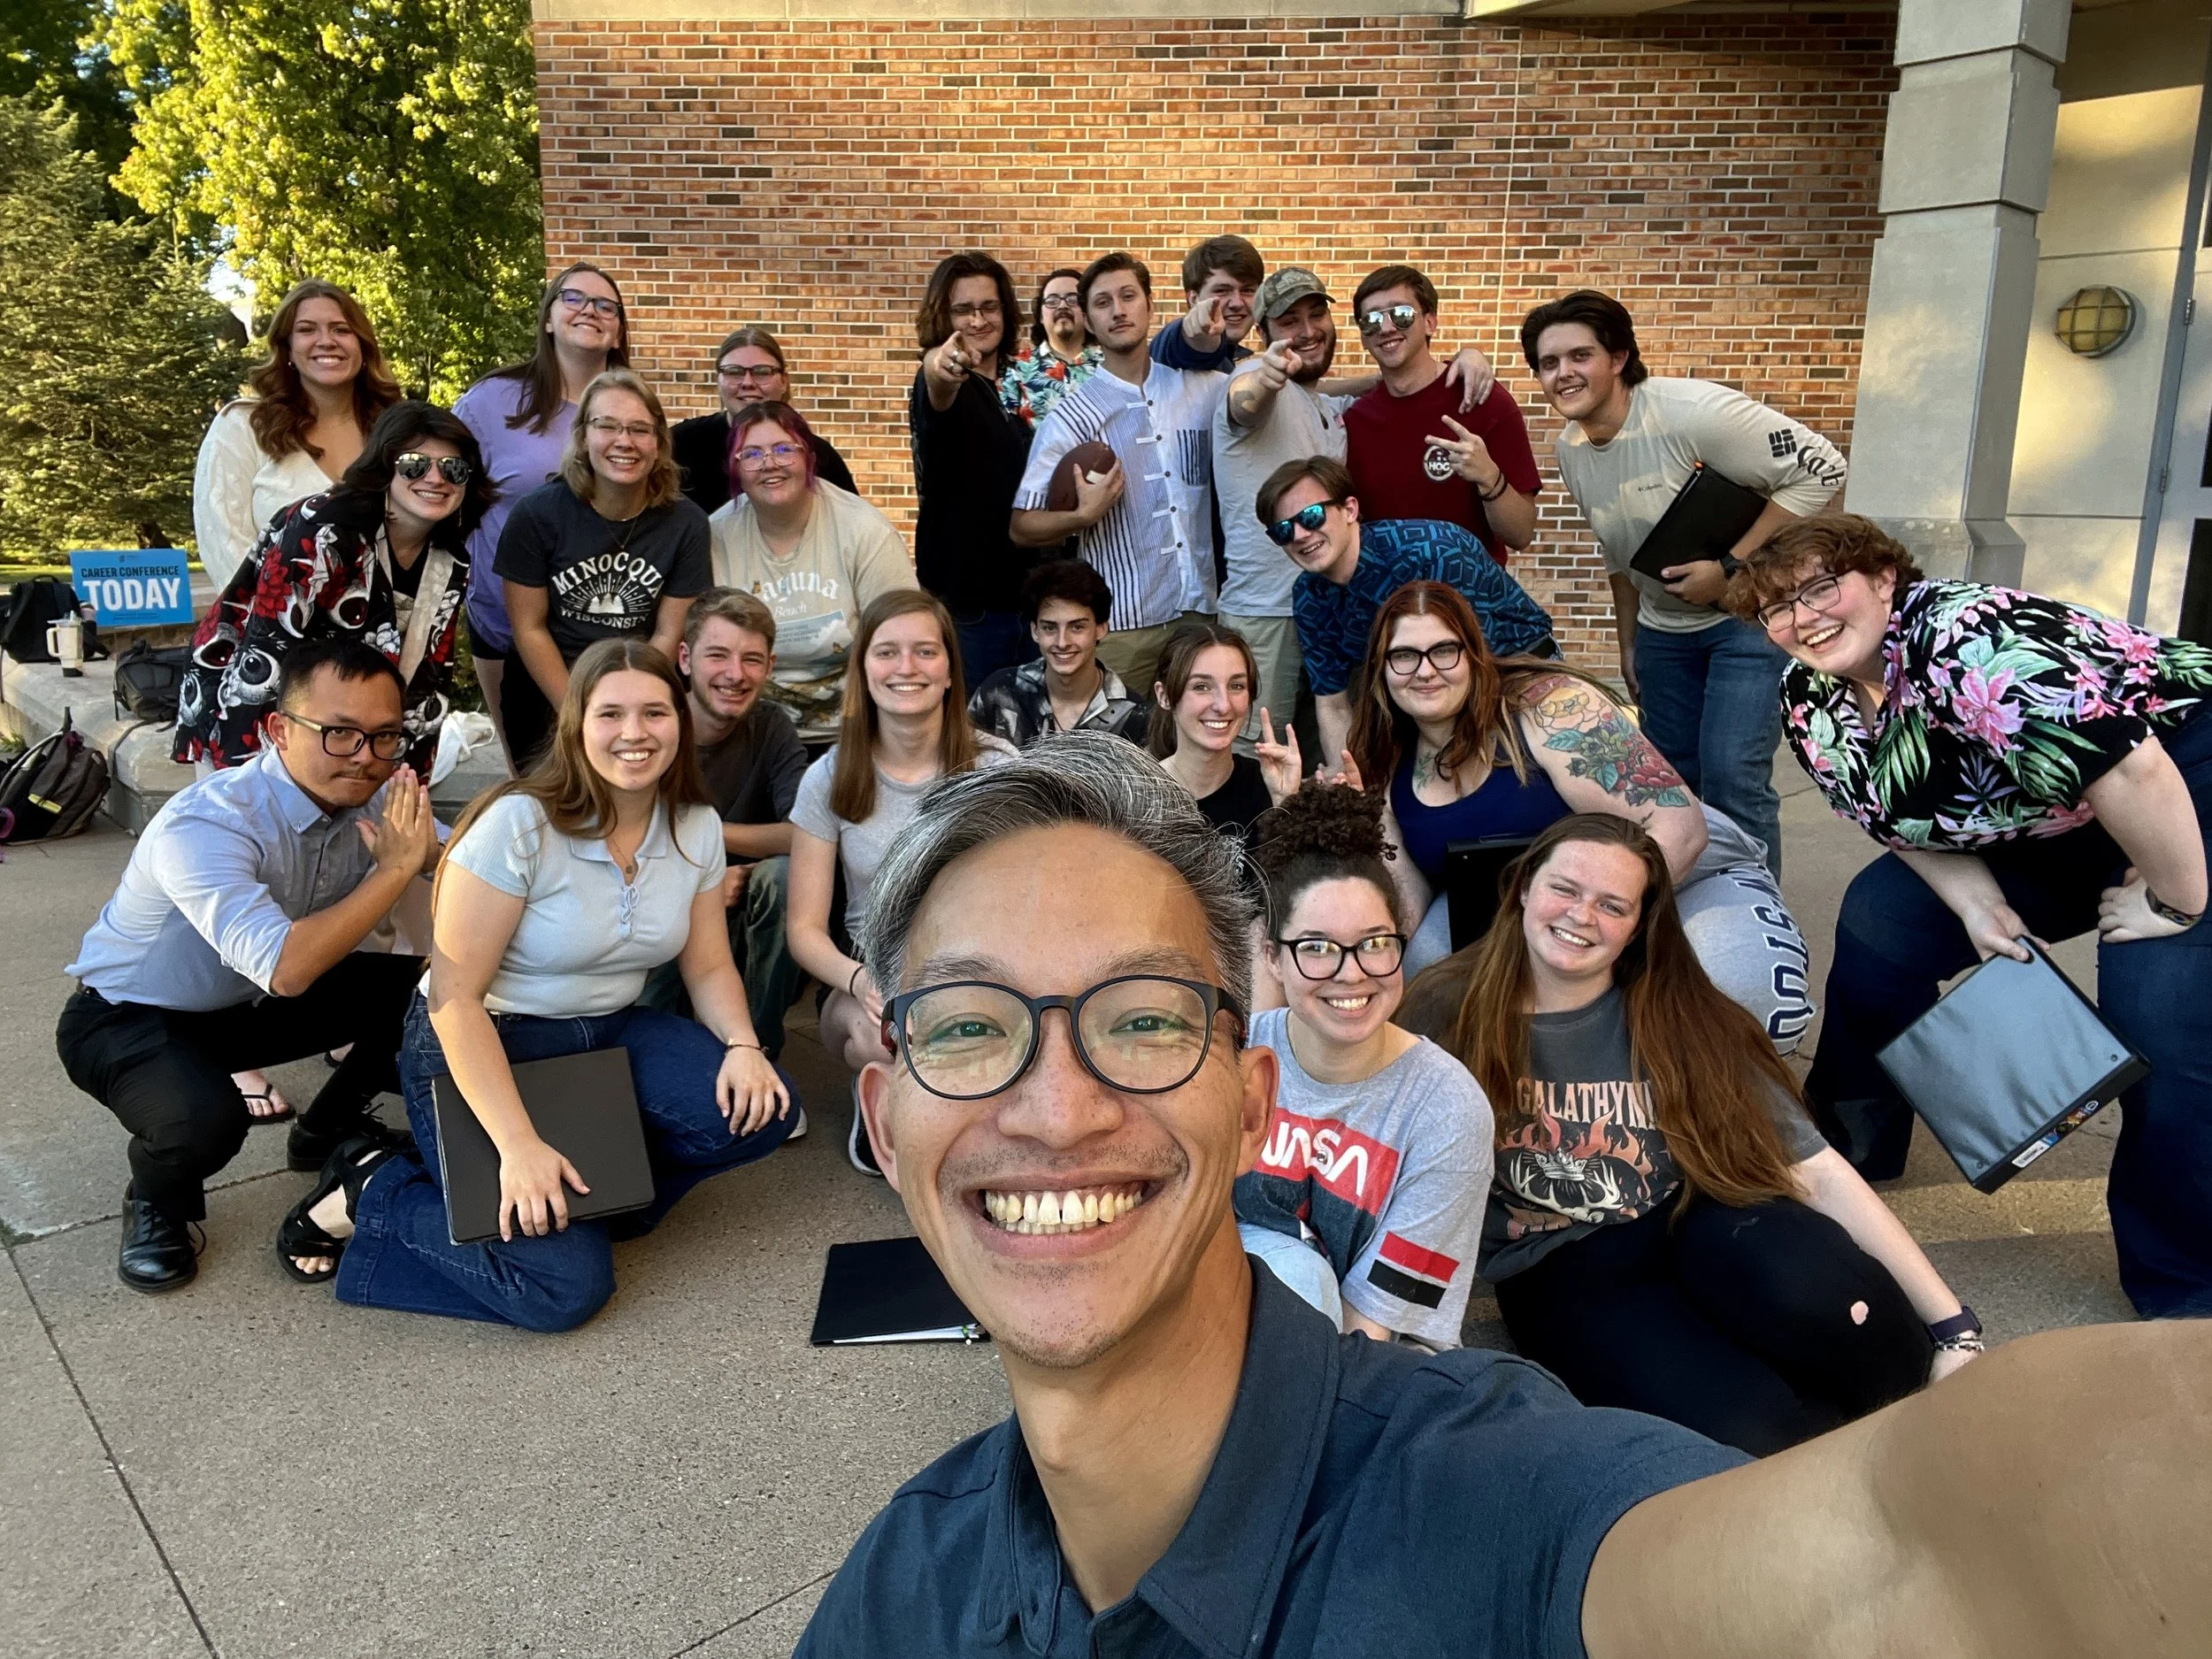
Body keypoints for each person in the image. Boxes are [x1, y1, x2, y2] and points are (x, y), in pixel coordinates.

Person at [801, 731, 2212, 1658]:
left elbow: (1892, 1554)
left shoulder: (1483, 1498)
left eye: (1146, 1019)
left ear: (1249, 1101)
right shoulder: (897, 1586)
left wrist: (2013, 1425)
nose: (1056, 1106)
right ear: (886, 1112)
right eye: (970, 1025)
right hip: (1576, 1265)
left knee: (1795, 1293)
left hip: (1681, 1218)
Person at [1728, 514, 2212, 1317]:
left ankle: (2187, 1287)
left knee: (2161, 1012)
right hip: (2052, 809)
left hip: (2179, 775)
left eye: (1821, 587)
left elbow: (2130, 770)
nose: (1801, 617)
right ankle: (1849, 1149)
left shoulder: (1966, 638)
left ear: (1885, 579)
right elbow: (1888, 814)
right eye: (1777, 607)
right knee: (1883, 920)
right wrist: (1978, 901)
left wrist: (2173, 898)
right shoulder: (1809, 692)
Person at [307, 638, 797, 1327]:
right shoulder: (518, 825)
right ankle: (375, 1190)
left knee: (762, 1107)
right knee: (564, 1289)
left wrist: (745, 1045)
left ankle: (598, 1197)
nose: (635, 732)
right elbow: (454, 1000)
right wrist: (518, 1145)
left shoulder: (696, 825)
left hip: (609, 1033)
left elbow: (710, 963)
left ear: (680, 722)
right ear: (577, 724)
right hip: (486, 1038)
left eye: (655, 712)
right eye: (611, 714)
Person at [1448, 814, 1975, 1454]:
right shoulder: (1445, 1008)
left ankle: (1904, 1419)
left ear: (1639, 924)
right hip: (1561, 1264)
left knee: (1841, 1310)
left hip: (1697, 1210)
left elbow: (1817, 1168)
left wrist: (1954, 1328)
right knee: (1755, 1437)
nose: (1582, 915)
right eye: (1566, 888)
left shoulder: (1679, 1009)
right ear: (1524, 886)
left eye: (1612, 904)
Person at [57, 639, 435, 1293]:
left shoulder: (370, 796)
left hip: (244, 1008)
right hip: (128, 1016)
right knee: (206, 1120)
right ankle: (156, 1199)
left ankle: (326, 1129)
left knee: (427, 992)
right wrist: (400, 866)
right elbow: (287, 968)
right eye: (340, 732)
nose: (366, 757)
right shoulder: (207, 823)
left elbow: (469, 864)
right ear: (277, 730)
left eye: (384, 737)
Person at [1348, 581, 1812, 1047]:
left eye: (1445, 650)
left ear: (1474, 654)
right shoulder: (1387, 758)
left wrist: (1593, 932)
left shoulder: (1548, 709)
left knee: (1748, 1000)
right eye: (1404, 656)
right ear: (1381, 670)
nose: (1425, 671)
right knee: (1420, 984)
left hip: (1687, 869)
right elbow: (1406, 898)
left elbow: (1681, 831)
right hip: (1523, 903)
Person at [1525, 289, 1848, 878]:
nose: (1564, 373)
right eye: (1549, 363)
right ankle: (1689, 911)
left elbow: (1824, 468)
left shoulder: (1693, 412)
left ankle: (1756, 917)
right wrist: (1629, 644)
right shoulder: (1571, 450)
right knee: (1668, 787)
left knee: (1732, 776)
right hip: (1663, 634)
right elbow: (1618, 551)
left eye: (1580, 355)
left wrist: (1730, 565)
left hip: (1744, 622)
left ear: (1618, 357)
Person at [1234, 783, 1492, 1347]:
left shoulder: (1448, 1107)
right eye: (1317, 947)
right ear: (1273, 957)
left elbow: (1373, 1329)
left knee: (1303, 1282)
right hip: (1226, 1325)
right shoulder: (1233, 1061)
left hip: (1371, 1364)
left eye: (1375, 942)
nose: (1352, 973)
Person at [787, 590, 1013, 1176]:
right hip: (872, 966)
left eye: (924, 651)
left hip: (972, 957)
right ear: (863, 668)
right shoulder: (829, 776)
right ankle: (883, 1111)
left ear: (948, 671)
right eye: (887, 652)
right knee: (877, 1032)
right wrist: (859, 979)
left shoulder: (997, 768)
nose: (906, 667)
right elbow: (804, 930)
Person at [177, 400, 489, 775]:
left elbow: (429, 678)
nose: (436, 479)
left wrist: (408, 782)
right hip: (242, 705)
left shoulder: (450, 557)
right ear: (383, 466)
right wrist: (249, 783)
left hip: (345, 724)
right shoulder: (323, 529)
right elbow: (264, 658)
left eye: (453, 468)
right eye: (414, 465)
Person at [1011, 252, 1223, 703]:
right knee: (1116, 754)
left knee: (1197, 747)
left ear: (1149, 304)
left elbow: (1271, 388)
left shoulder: (1198, 389)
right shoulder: (1072, 414)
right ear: (1088, 318)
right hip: (1123, 626)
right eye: (1104, 302)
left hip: (1200, 614)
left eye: (1129, 296)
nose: (1119, 310)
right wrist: (1082, 514)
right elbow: (1021, 524)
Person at [1263, 456, 1555, 764]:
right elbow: (1333, 705)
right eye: (1283, 530)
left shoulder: (1435, 552)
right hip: (1425, 692)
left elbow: (1474, 668)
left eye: (1311, 517)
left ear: (1350, 509)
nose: (1299, 535)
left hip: (1522, 672)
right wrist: (1347, 781)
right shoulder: (1310, 596)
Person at [455, 261, 630, 758]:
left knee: (606, 764)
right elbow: (447, 497)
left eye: (605, 306)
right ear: (549, 318)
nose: (589, 311)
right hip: (504, 624)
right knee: (527, 771)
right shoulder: (491, 403)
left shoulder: (630, 409)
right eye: (573, 298)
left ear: (618, 331)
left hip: (603, 626)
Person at [495, 368, 711, 766]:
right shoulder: (536, 515)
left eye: (639, 430)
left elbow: (667, 633)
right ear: (582, 436)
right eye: (607, 426)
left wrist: (628, 707)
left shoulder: (686, 523)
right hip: (549, 687)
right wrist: (579, 713)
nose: (624, 441)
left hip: (642, 684)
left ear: (659, 443)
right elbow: (529, 629)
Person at [638, 589, 810, 1064]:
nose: (736, 675)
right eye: (719, 655)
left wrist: (711, 842)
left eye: (752, 659)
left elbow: (805, 832)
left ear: (770, 666)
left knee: (784, 877)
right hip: (661, 899)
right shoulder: (653, 724)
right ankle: (647, 1057)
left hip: (746, 901)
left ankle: (758, 1054)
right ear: (686, 658)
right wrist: (703, 880)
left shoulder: (772, 727)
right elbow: (627, 834)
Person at [706, 399, 913, 745]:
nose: (770, 464)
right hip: (751, 735)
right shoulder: (716, 536)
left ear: (809, 457)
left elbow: (901, 636)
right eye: (752, 454)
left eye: (784, 449)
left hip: (853, 733)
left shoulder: (865, 531)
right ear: (736, 469)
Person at [192, 279, 403, 588]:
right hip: (269, 629)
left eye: (341, 330)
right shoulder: (243, 427)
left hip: (384, 631)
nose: (326, 341)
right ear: (287, 347)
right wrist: (281, 626)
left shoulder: (395, 432)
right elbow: (224, 545)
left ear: (363, 346)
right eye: (306, 330)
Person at [1344, 264, 1541, 559]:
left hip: (1468, 600)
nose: (1386, 328)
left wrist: (1489, 477)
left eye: (1401, 314)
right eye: (1371, 320)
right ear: (1363, 335)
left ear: (1430, 323)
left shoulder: (1482, 399)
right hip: (1386, 599)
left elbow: (1521, 534)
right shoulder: (1353, 420)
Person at [909, 251, 1038, 687]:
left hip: (1032, 603)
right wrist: (941, 364)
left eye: (990, 307)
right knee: (980, 745)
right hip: (974, 611)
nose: (979, 320)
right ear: (943, 317)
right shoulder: (948, 382)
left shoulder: (1016, 386)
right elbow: (938, 378)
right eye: (963, 310)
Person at [673, 326, 859, 513]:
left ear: (784, 381)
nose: (747, 383)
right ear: (718, 379)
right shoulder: (680, 445)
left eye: (762, 372)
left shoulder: (818, 455)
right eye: (734, 371)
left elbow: (850, 521)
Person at [968, 558, 1149, 749]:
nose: (1062, 642)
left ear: (1101, 629)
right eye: (1049, 628)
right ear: (1034, 631)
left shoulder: (1135, 716)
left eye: (1077, 627)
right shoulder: (998, 693)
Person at [1147, 622, 1286, 840]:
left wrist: (1286, 803)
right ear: (1164, 696)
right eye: (1201, 687)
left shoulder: (1268, 785)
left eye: (1236, 686)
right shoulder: (1136, 794)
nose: (1223, 705)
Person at [1000, 268, 1102, 427]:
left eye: (1072, 299)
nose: (1062, 306)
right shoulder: (1017, 369)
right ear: (1040, 315)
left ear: (1087, 310)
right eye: (1052, 301)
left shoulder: (1111, 365)